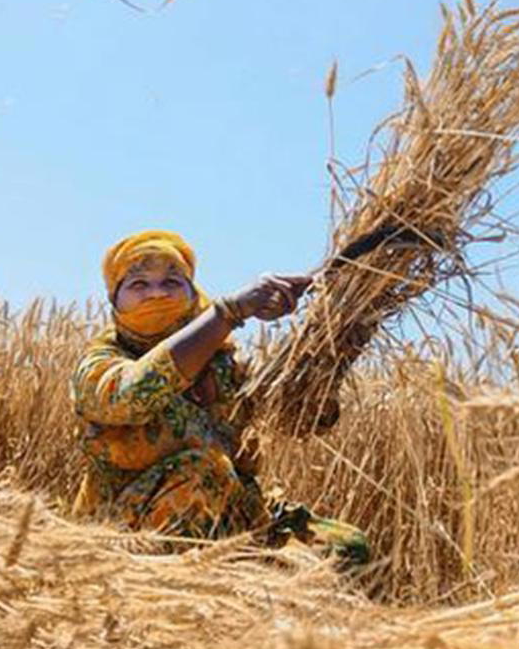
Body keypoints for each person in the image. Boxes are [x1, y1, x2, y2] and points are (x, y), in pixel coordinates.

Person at [69, 229, 369, 565]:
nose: (157, 293)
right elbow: (134, 394)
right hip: (124, 536)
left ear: (191, 291)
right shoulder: (100, 363)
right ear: (115, 299)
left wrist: (333, 344)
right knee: (207, 471)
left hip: (232, 517)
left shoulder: (227, 366)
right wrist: (229, 312)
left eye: (172, 282)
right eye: (138, 284)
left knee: (346, 546)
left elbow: (294, 419)